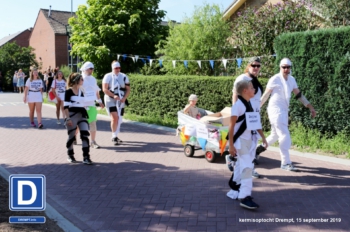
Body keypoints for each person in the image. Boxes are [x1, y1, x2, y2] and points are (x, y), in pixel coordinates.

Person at [258, 58, 316, 171]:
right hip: (275, 110)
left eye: (287, 67)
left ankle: (256, 151)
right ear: (280, 67)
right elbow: (265, 95)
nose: (285, 69)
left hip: (284, 111)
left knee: (274, 135)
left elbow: (299, 95)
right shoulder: (274, 79)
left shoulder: (292, 80)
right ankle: (285, 163)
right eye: (283, 67)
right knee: (284, 135)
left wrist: (310, 107)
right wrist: (256, 108)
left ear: (290, 68)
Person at [227, 80, 268, 209]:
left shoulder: (250, 104)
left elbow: (255, 122)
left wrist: (263, 137)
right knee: (247, 168)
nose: (254, 89)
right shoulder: (237, 106)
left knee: (241, 165)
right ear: (245, 91)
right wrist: (231, 146)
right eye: (251, 87)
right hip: (240, 142)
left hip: (250, 140)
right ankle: (244, 196)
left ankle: (235, 187)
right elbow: (231, 126)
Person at [230, 56, 263, 178]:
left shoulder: (255, 80)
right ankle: (239, 166)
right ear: (248, 66)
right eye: (253, 65)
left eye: (258, 66)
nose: (255, 68)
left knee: (253, 143)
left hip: (254, 115)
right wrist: (235, 113)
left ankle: (249, 168)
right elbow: (235, 94)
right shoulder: (242, 78)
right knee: (244, 142)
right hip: (244, 116)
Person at [64, 72, 92, 165]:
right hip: (72, 115)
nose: (83, 80)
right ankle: (70, 155)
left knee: (85, 135)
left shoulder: (82, 91)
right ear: (76, 81)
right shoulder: (68, 92)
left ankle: (86, 157)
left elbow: (84, 103)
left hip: (82, 114)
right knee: (72, 136)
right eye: (81, 79)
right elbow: (66, 107)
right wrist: (68, 118)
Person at [102, 61, 131, 145]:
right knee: (114, 117)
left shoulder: (124, 76)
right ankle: (114, 136)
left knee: (119, 118)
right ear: (112, 68)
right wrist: (113, 95)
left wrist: (124, 98)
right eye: (116, 68)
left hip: (121, 99)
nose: (118, 69)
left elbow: (128, 89)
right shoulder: (107, 76)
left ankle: (115, 134)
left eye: (119, 68)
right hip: (110, 98)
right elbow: (105, 89)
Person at [80, 61, 104, 149]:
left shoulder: (93, 79)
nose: (91, 71)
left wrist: (100, 101)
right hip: (82, 106)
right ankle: (74, 137)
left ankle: (93, 142)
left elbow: (96, 91)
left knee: (93, 123)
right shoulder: (80, 78)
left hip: (91, 105)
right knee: (80, 125)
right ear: (86, 69)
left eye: (92, 69)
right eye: (90, 69)